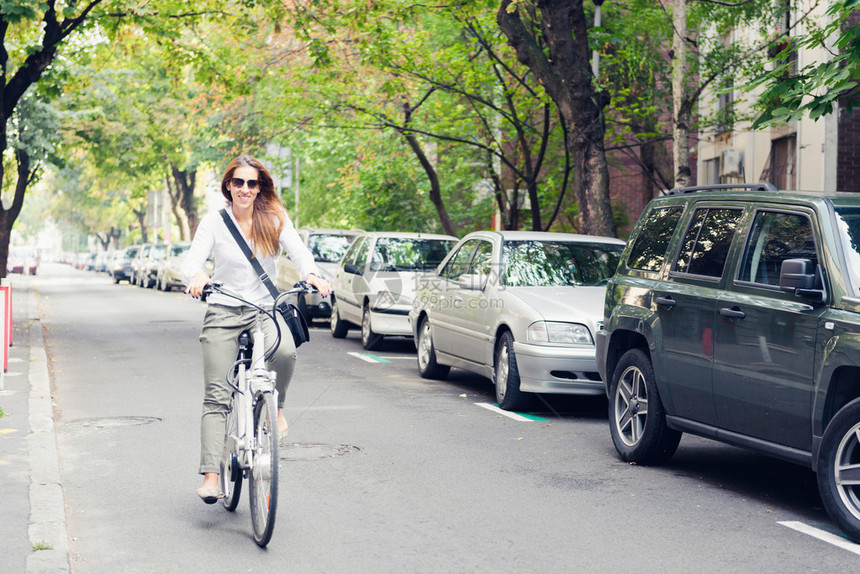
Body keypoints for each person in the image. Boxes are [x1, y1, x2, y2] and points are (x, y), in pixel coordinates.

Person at [183, 154, 331, 503]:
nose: (246, 189)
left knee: (285, 352)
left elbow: (299, 251)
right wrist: (198, 276)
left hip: (264, 309)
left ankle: (276, 408)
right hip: (223, 311)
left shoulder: (274, 218)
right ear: (228, 186)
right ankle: (211, 476)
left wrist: (311, 274)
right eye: (239, 182)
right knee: (217, 396)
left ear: (260, 186)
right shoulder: (214, 222)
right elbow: (191, 261)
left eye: (252, 183)